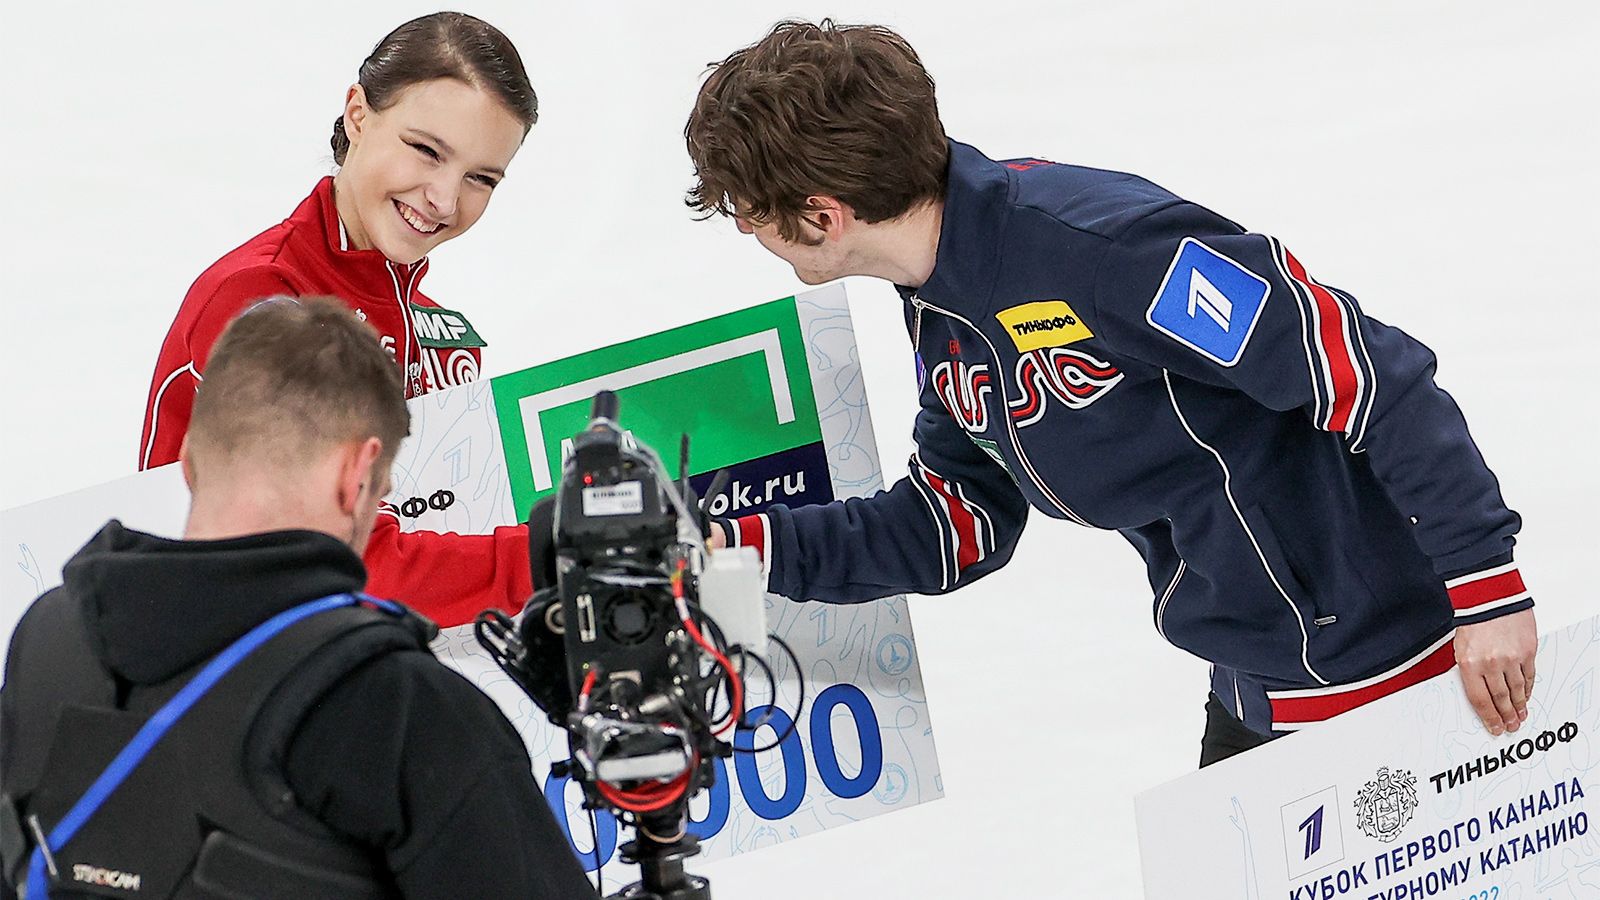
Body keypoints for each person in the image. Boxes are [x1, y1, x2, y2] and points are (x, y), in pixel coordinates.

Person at [686, 21, 1537, 765]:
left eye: (750, 211)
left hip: (1408, 680)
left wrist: (1488, 587)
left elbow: (1362, 373)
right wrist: (728, 549)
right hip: (1258, 690)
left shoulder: (1103, 248)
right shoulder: (942, 308)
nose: (746, 230)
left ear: (825, 214)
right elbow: (954, 527)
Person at [1, 297, 595, 899]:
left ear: (188, 462)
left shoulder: (47, 642)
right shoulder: (404, 707)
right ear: (356, 476)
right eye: (381, 493)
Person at [140, 12, 537, 627]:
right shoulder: (262, 298)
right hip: (232, 678)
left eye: (480, 178)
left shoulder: (438, 334)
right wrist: (545, 558)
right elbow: (325, 564)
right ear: (357, 113)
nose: (444, 199)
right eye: (426, 150)